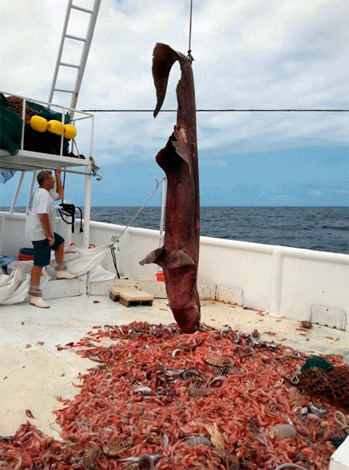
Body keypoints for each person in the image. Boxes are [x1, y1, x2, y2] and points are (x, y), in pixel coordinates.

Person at [25, 168, 75, 308]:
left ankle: (61, 271)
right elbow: (43, 216)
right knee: (39, 264)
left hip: (44, 233)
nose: (53, 181)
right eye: (52, 178)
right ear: (46, 181)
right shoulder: (42, 195)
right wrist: (48, 236)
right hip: (40, 234)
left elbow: (60, 194)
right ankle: (34, 295)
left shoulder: (46, 193)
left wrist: (58, 176)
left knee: (60, 242)